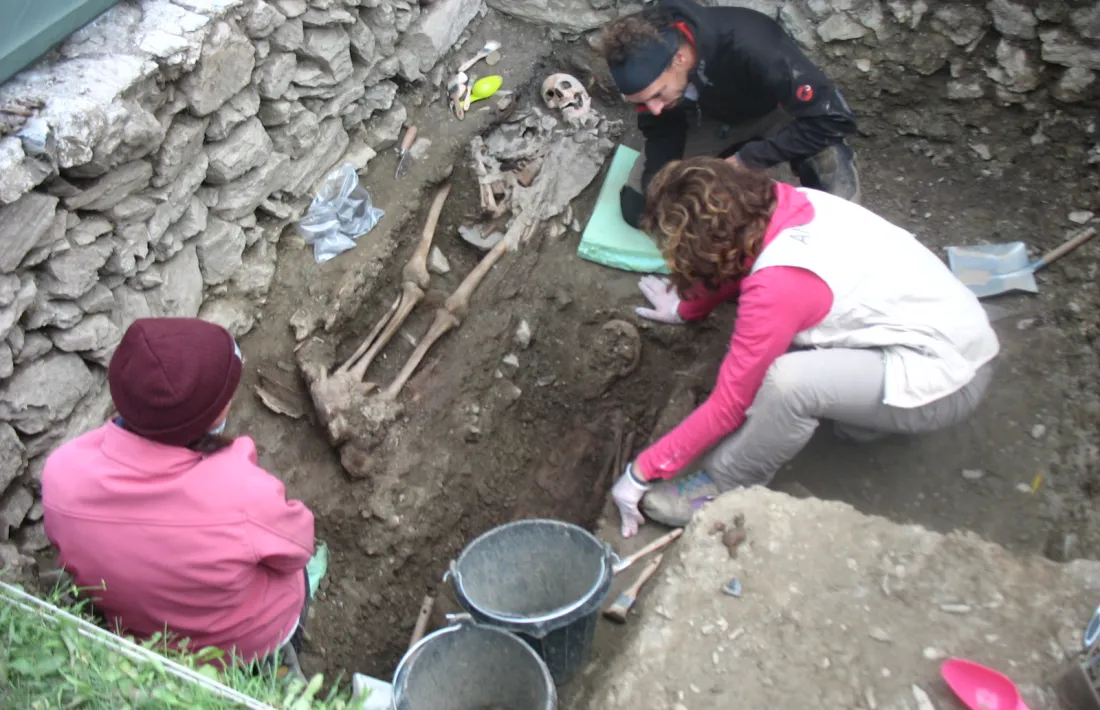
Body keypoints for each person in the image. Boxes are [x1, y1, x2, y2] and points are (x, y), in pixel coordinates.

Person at [610, 158, 999, 538]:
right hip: (950, 331)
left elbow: (730, 405)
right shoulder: (781, 202)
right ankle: (862, 419)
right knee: (790, 357)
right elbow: (736, 259)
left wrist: (639, 473)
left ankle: (725, 482)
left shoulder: (779, 286)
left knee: (788, 384)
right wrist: (685, 308)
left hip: (950, 381)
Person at [41, 317, 316, 667]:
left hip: (142, 636)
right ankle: (277, 667)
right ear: (212, 414)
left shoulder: (61, 473)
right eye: (227, 391)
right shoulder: (243, 494)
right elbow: (298, 549)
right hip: (242, 648)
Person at [598, 0, 861, 228]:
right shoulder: (648, 67)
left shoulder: (753, 44)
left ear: (679, 59)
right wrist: (663, 183)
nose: (653, 107)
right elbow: (661, 129)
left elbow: (835, 118)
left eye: (657, 95)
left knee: (838, 207)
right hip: (708, 119)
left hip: (777, 114)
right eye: (644, 101)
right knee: (641, 207)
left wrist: (749, 158)